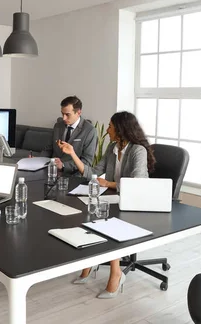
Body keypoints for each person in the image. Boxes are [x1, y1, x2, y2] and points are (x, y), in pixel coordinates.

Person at [58, 111, 156, 298]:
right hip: (114, 198)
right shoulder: (112, 147)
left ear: (120, 130)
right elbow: (93, 172)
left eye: (110, 127)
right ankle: (90, 262)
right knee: (85, 213)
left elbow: (138, 182)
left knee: (107, 222)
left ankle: (116, 274)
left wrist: (109, 184)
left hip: (134, 201)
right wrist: (72, 154)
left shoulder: (138, 150)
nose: (108, 130)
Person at [43, 96, 97, 176]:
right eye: (62, 114)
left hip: (75, 175)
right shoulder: (58, 126)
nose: (64, 118)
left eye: (67, 114)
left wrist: (63, 166)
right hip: (52, 172)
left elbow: (86, 162)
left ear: (78, 113)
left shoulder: (89, 130)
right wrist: (37, 160)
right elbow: (48, 150)